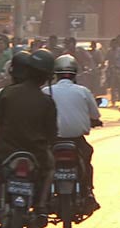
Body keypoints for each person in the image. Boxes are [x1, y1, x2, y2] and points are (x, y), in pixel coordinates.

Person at [0, 49, 58, 223]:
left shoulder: (7, 93)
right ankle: (41, 205)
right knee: (50, 168)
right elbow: (51, 135)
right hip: (36, 153)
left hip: (5, 150)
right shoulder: (47, 101)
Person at [43, 54, 101, 215]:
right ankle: (88, 191)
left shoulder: (47, 91)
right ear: (75, 73)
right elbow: (95, 115)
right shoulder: (83, 91)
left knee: (43, 164)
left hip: (52, 141)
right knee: (87, 157)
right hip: (76, 141)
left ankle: (42, 196)